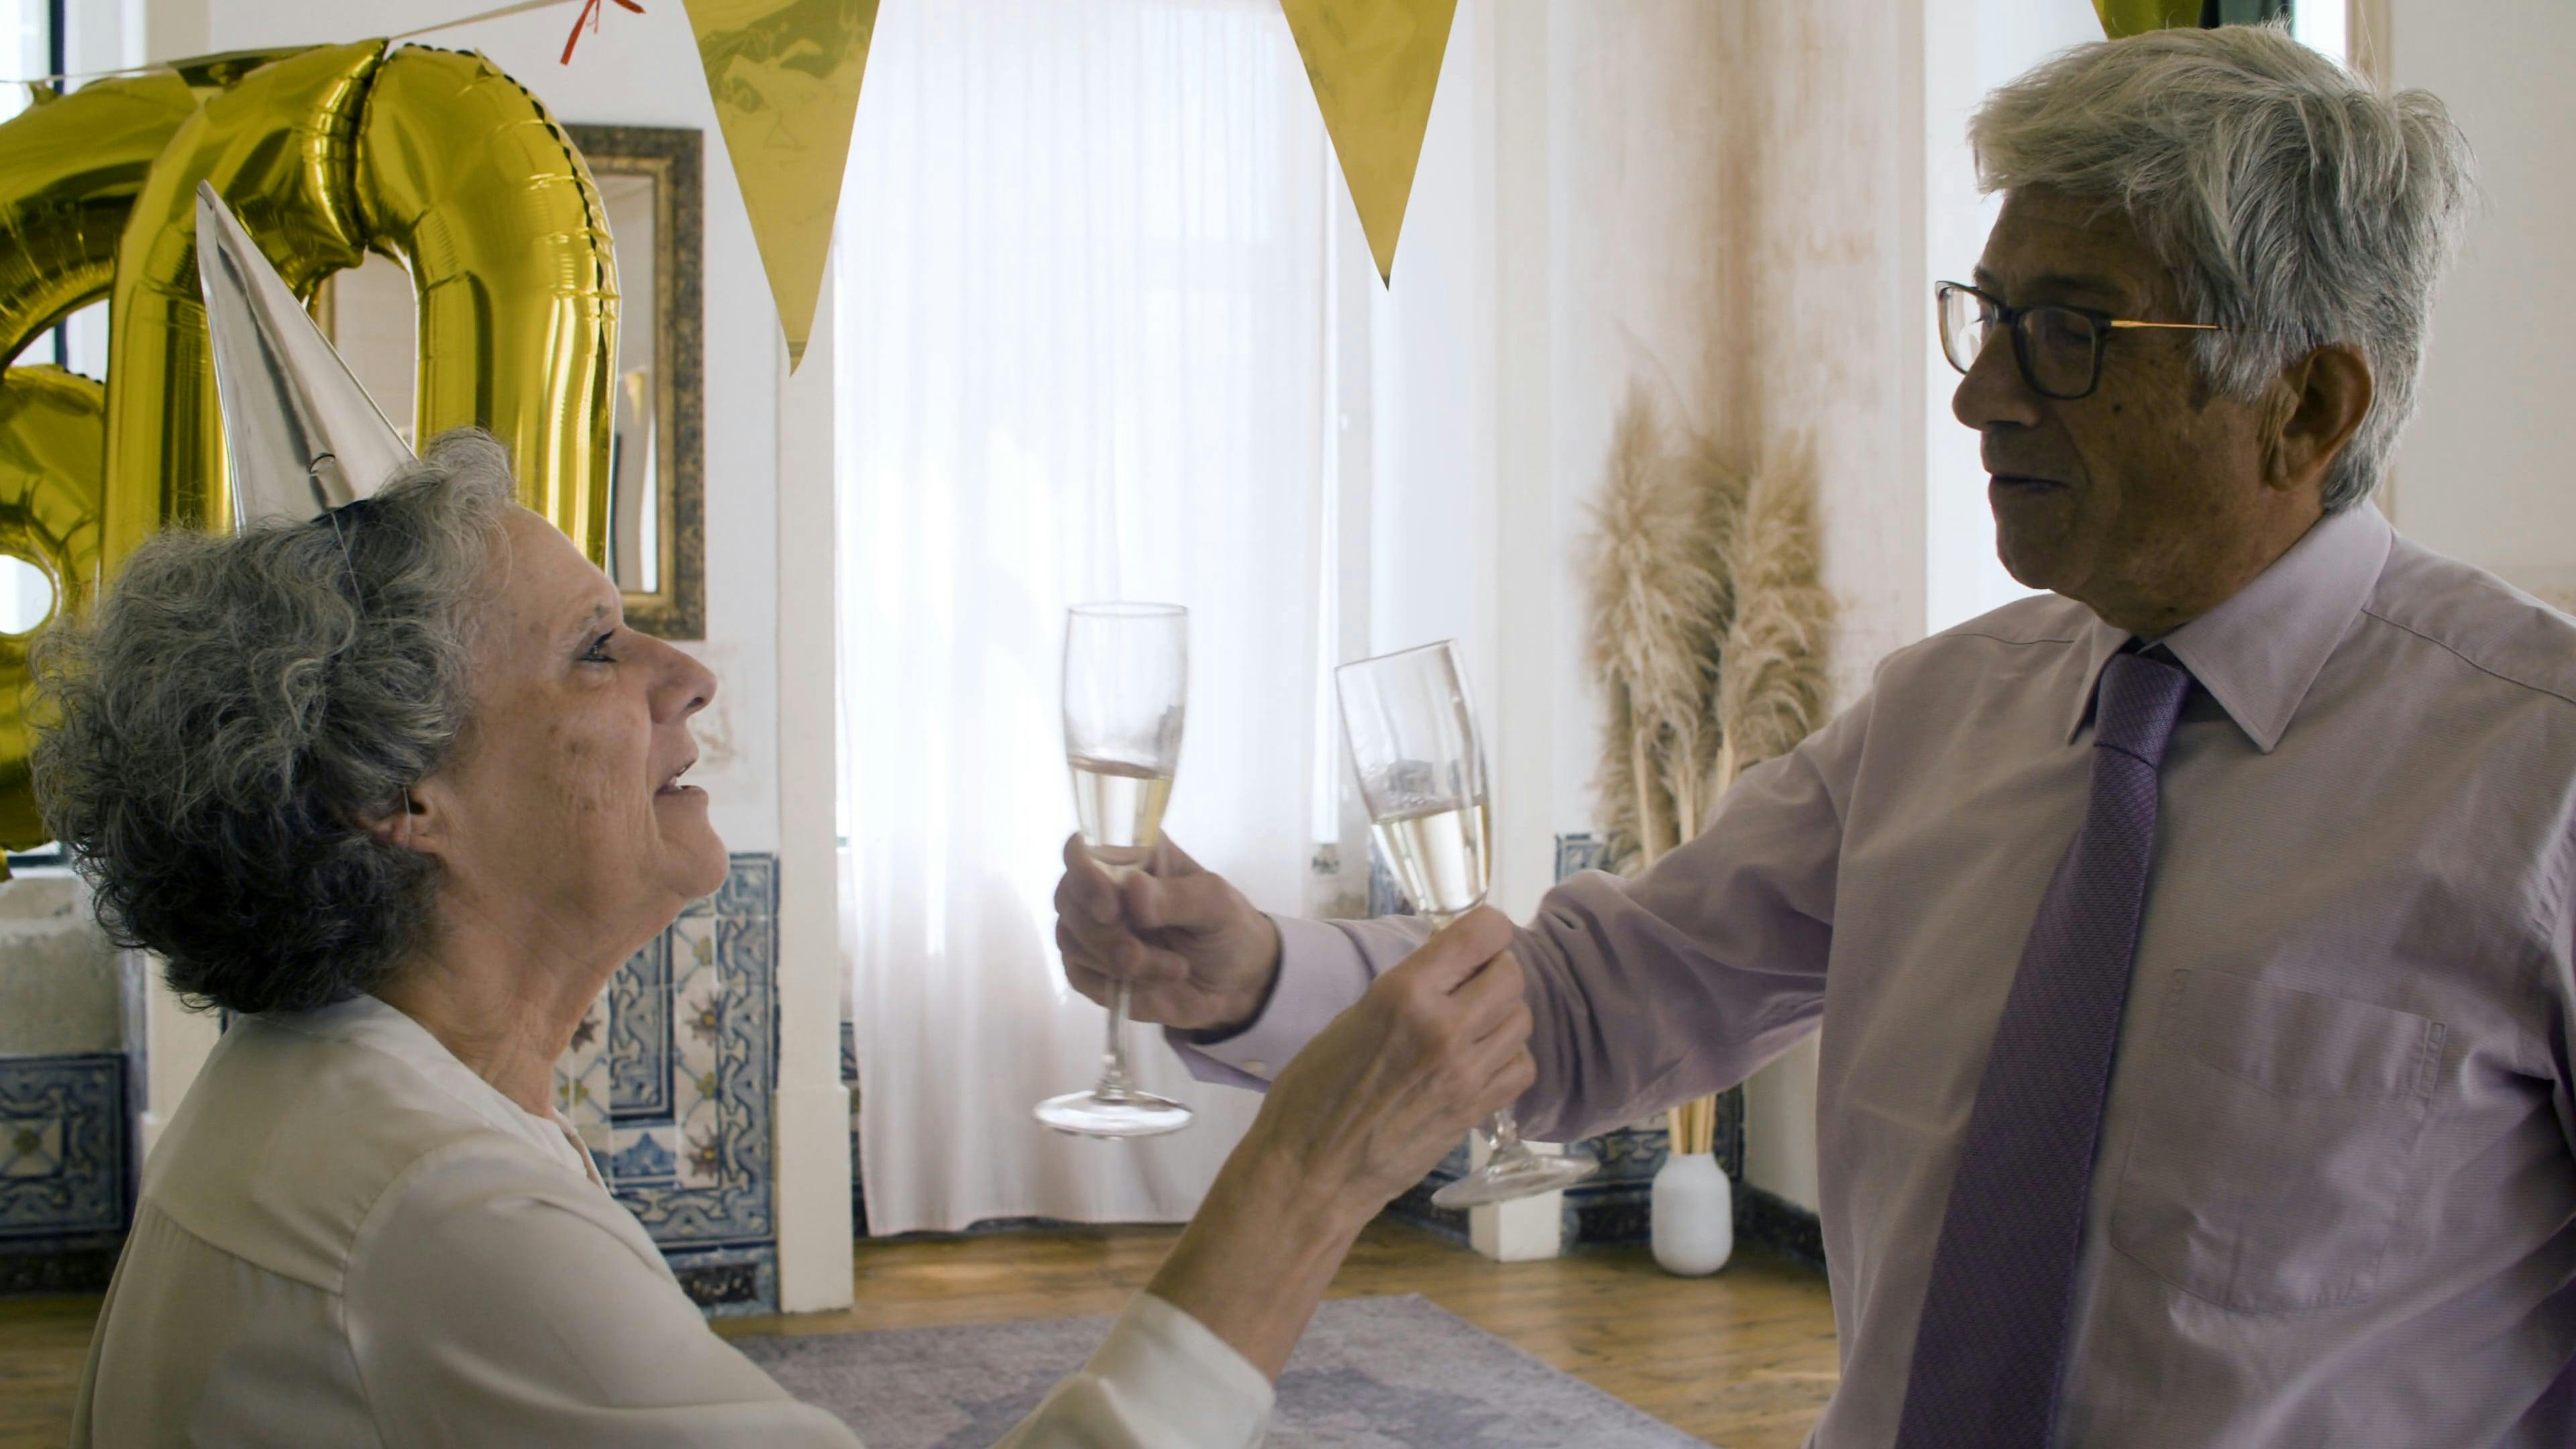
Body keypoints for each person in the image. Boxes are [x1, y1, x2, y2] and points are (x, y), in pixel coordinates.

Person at [1059, 26, 2574, 1448]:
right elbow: (1592, 1000)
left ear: (2305, 404)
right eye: (1987, 318)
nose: (1981, 396)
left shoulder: (2539, 782)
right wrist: (1254, 974)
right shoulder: (1937, 720)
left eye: (2067, 334)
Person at [39, 429, 1532, 1448]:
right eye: (594, 649)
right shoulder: (438, 1212)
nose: (684, 672)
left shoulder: (307, 1087)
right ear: (399, 796)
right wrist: (1312, 1170)